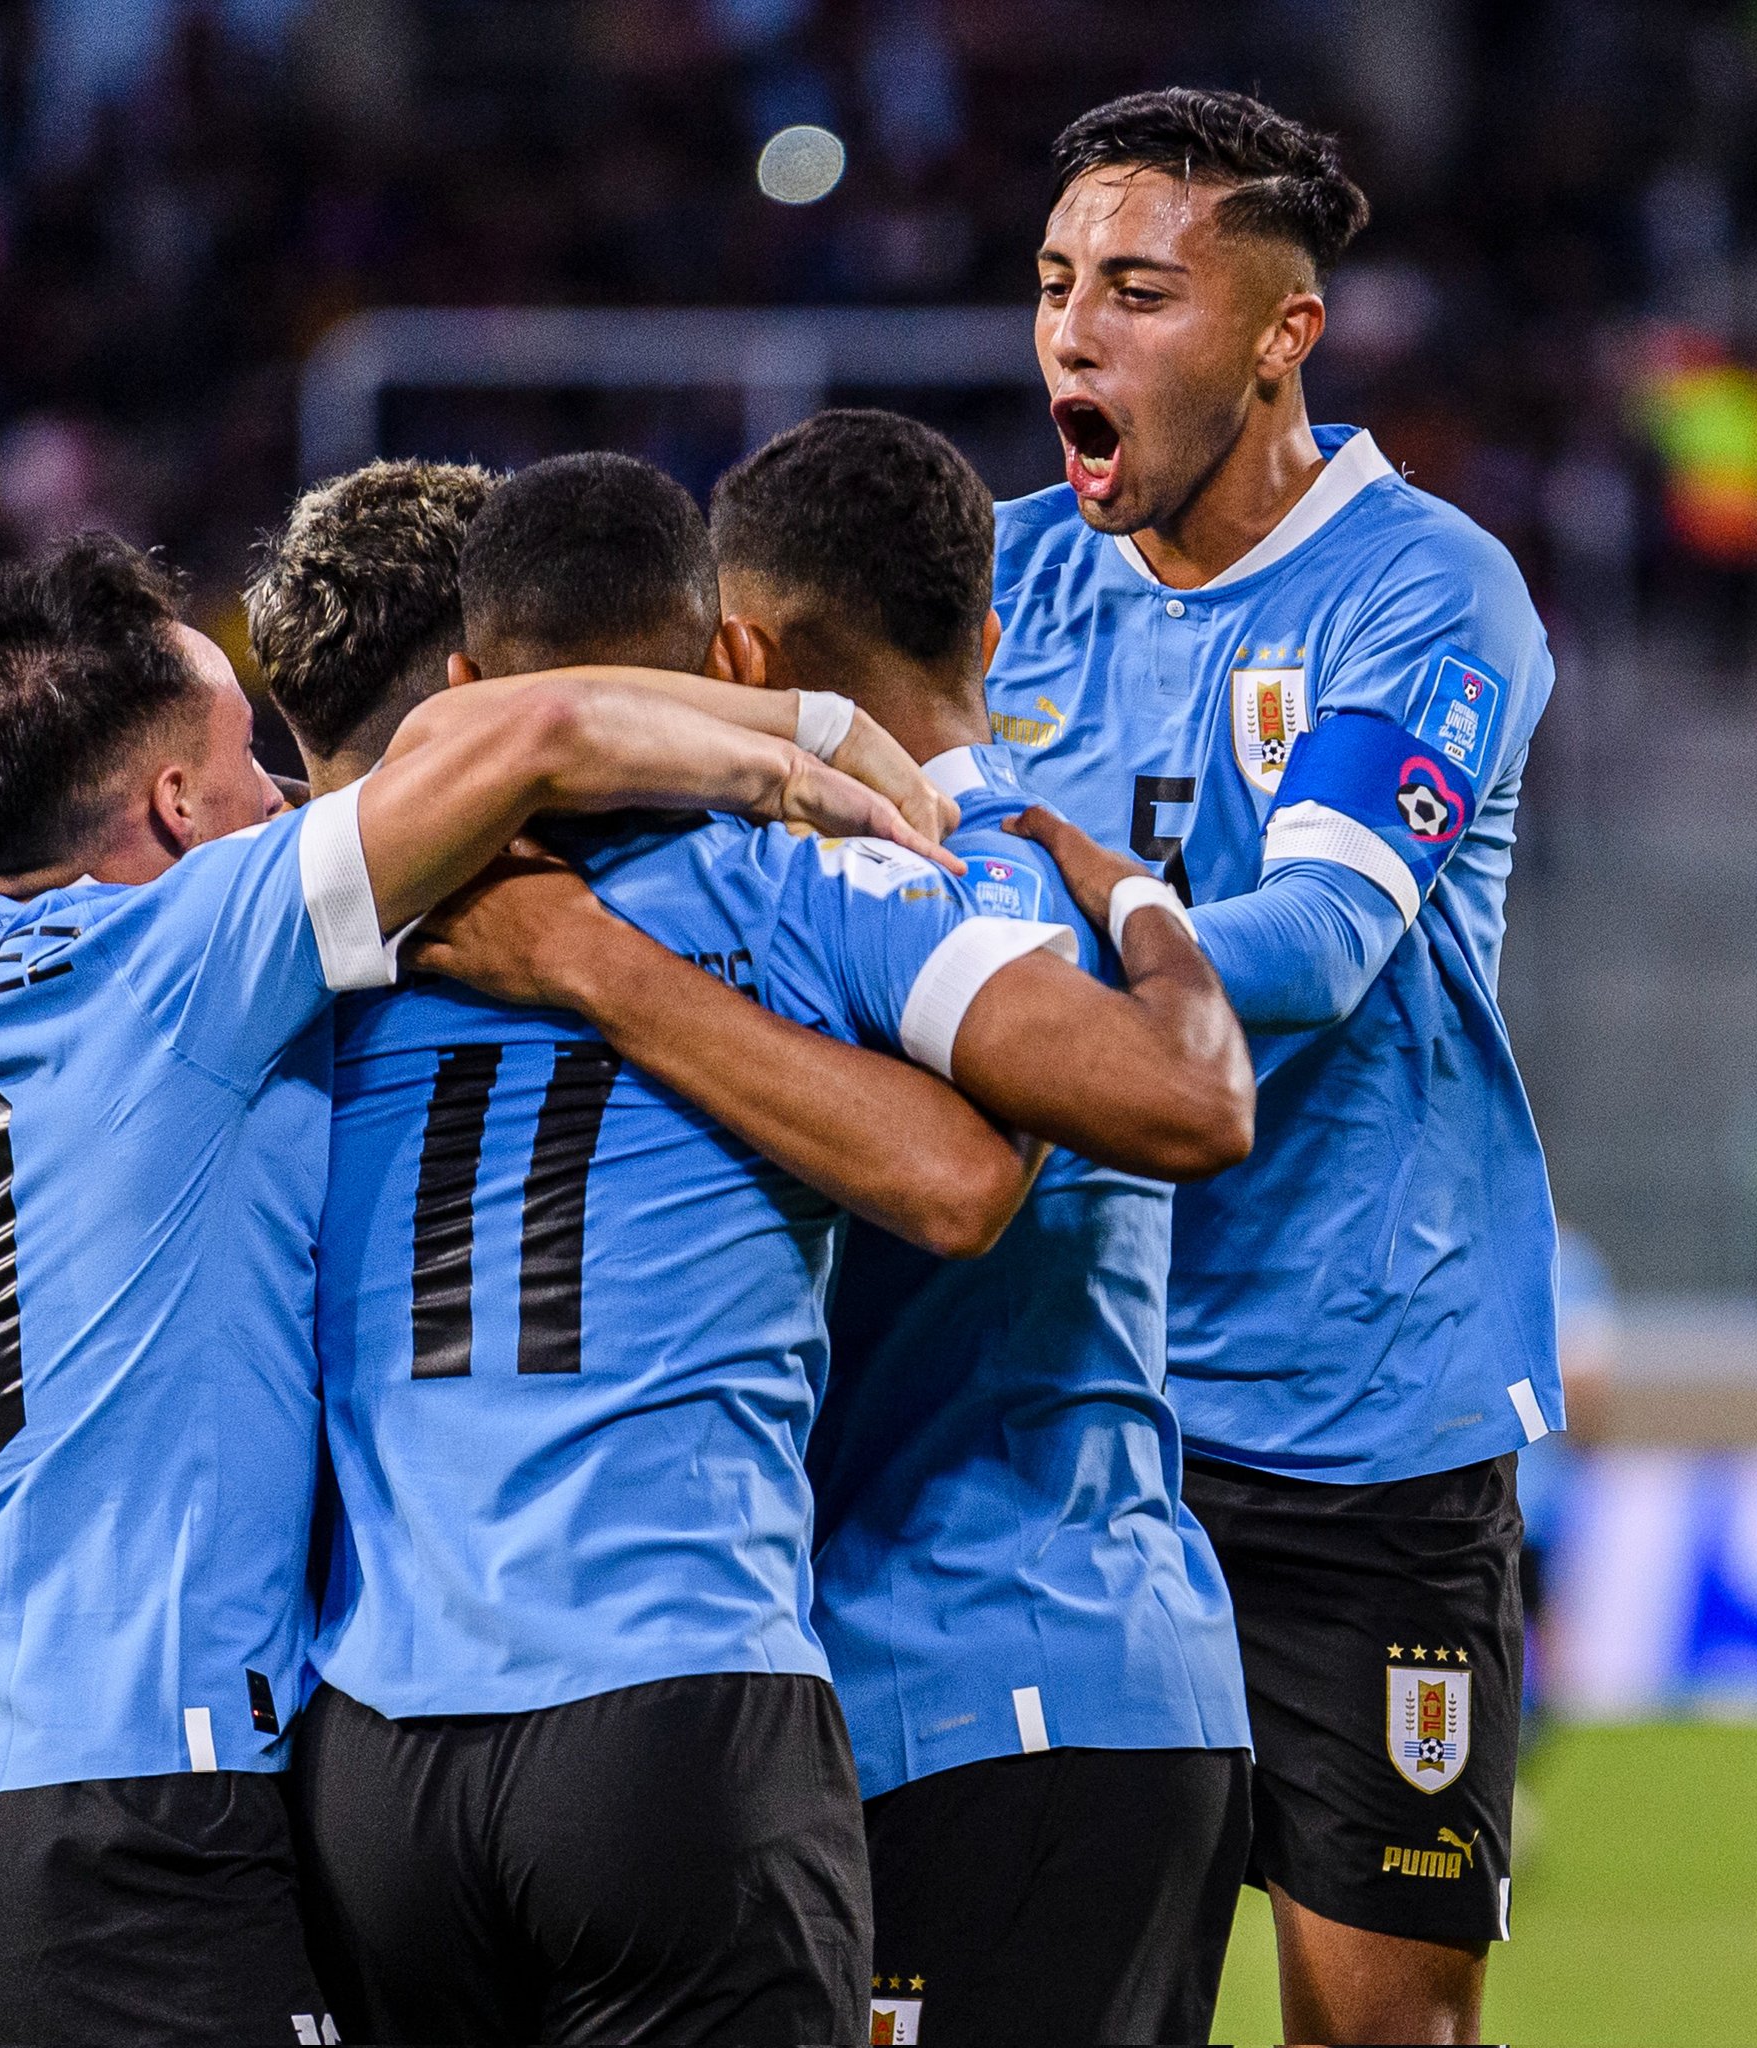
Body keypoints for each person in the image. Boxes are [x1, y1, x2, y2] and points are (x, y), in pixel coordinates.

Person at [0, 531, 939, 2047]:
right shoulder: (180, 953)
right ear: (171, 808)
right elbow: (539, 730)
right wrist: (817, 746)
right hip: (137, 1827)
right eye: (250, 761)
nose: (292, 798)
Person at [264, 451, 1252, 2048]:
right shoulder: (811, 881)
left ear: (465, 678)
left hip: (378, 1739)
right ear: (715, 658)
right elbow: (988, 1174)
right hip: (677, 1701)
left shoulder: (318, 933)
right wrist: (1141, 901)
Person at [986, 87, 1563, 2045]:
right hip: (1052, 1422)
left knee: (1380, 2030)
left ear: (1277, 332)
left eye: (1139, 291)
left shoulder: (1422, 591)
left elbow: (1312, 951)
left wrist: (962, 989)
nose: (1075, 332)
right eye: (1056, 283)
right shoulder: (992, 591)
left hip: (1350, 1424)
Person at [704, 406, 1253, 2048]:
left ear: (744, 652)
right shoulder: (1060, 884)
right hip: (1154, 1674)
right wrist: (1151, 897)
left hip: (952, 1685)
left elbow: (959, 1189)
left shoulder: (886, 902)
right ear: (992, 634)